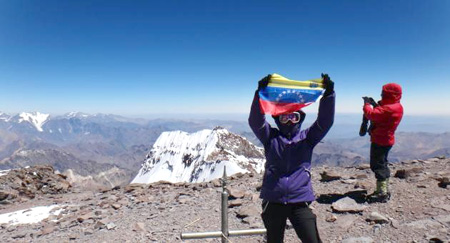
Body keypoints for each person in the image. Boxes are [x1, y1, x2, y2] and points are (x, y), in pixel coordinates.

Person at [248, 74, 335, 243]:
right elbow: (255, 121)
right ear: (278, 119)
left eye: (293, 116)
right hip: (273, 201)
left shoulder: (307, 138)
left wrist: (329, 95)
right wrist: (259, 94)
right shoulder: (270, 138)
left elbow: (325, 122)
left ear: (300, 119)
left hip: (300, 201)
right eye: (284, 117)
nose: (289, 121)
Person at [363, 83, 403, 203]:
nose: (381, 95)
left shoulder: (389, 108)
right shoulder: (396, 106)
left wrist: (366, 104)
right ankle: (384, 189)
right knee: (382, 164)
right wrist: (375, 104)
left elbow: (371, 114)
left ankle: (382, 193)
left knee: (377, 165)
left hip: (380, 141)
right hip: (386, 140)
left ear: (388, 95)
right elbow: (382, 112)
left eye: (383, 93)